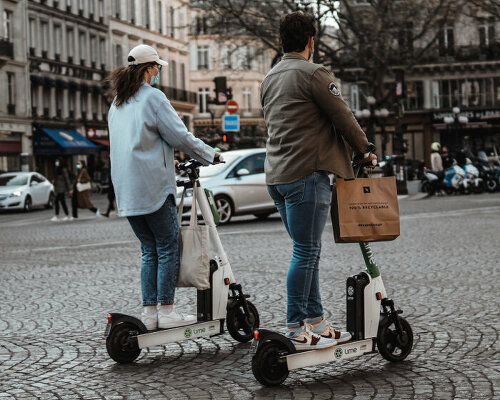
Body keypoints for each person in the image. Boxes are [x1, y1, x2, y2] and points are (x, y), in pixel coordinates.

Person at [260, 11, 377, 351]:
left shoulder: (270, 78)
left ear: (283, 42)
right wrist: (365, 149)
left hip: (278, 177)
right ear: (311, 41)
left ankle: (318, 323)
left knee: (306, 252)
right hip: (307, 175)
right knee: (306, 252)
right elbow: (343, 117)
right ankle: (296, 325)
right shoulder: (314, 73)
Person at [107, 44, 219, 331]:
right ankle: (167, 310)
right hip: (153, 188)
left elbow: (141, 143)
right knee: (169, 247)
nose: (158, 72)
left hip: (128, 190)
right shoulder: (154, 98)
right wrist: (210, 154)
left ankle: (150, 312)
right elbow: (179, 136)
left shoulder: (117, 103)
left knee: (149, 250)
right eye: (156, 67)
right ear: (147, 69)